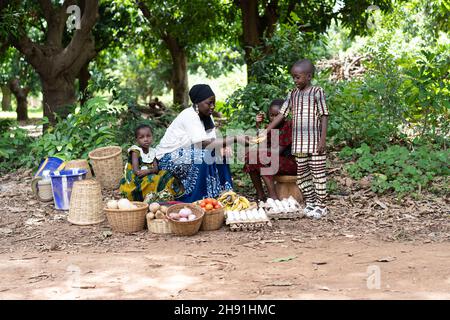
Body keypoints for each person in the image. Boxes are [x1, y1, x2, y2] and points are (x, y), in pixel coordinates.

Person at [156, 84, 247, 202]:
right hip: (168, 158)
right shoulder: (189, 115)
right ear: (197, 103)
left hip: (189, 152)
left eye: (213, 103)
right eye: (209, 103)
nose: (213, 106)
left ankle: (225, 193)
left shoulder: (207, 116)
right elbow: (203, 144)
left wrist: (222, 147)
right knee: (204, 156)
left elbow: (212, 141)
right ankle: (196, 199)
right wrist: (234, 138)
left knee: (220, 153)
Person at [261, 59, 329, 219]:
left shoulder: (317, 92)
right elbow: (282, 114)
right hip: (299, 144)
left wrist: (323, 139)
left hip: (314, 142)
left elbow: (325, 115)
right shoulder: (292, 94)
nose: (295, 80)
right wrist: (266, 131)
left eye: (298, 77)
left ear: (309, 76)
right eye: (293, 77)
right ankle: (311, 203)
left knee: (318, 174)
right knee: (303, 175)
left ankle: (322, 205)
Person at [244, 99, 297, 201]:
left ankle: (273, 197)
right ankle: (261, 196)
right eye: (271, 116)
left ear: (283, 115)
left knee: (259, 157)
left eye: (276, 116)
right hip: (275, 161)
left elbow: (277, 152)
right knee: (251, 158)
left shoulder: (289, 125)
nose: (273, 119)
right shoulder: (269, 128)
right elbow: (261, 145)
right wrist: (258, 126)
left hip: (292, 163)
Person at [119, 124, 184, 201]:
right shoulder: (135, 152)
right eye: (141, 137)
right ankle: (157, 198)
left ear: (152, 137)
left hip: (149, 173)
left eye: (148, 136)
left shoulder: (152, 152)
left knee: (166, 173)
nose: (146, 139)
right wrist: (149, 172)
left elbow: (156, 169)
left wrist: (148, 171)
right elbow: (137, 172)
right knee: (155, 178)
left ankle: (174, 195)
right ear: (137, 140)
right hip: (137, 180)